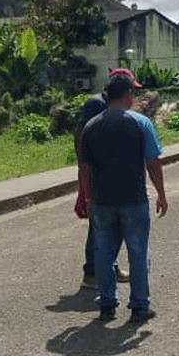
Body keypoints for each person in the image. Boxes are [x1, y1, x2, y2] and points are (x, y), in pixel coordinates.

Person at [79, 72, 168, 323]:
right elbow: (153, 162)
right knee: (138, 253)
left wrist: (88, 199)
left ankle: (107, 305)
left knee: (104, 254)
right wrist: (161, 194)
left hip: (102, 201)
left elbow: (83, 167)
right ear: (128, 95)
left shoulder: (91, 125)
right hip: (133, 200)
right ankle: (139, 306)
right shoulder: (140, 123)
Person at [73, 69, 134, 290]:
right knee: (99, 225)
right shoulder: (95, 104)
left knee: (114, 224)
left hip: (112, 172)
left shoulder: (114, 106)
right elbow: (81, 135)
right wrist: (84, 172)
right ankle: (91, 272)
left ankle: (111, 266)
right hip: (98, 173)